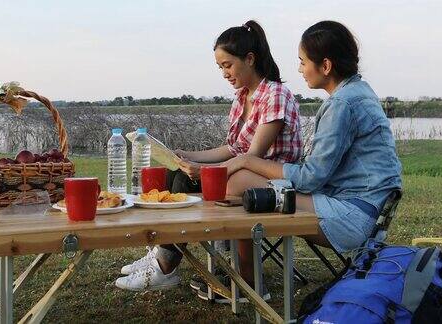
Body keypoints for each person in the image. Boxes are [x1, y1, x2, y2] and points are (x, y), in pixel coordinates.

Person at [115, 20, 302, 291]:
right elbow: (232, 148)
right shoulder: (242, 97)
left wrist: (201, 171)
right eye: (220, 67)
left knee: (185, 181)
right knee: (175, 172)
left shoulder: (275, 94)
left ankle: (165, 265)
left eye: (228, 65)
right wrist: (187, 155)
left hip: (271, 181)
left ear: (250, 59)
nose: (224, 73)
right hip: (244, 171)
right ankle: (161, 256)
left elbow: (252, 156)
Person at [223, 20, 402, 253]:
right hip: (365, 208)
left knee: (240, 181)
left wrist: (247, 160)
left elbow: (310, 178)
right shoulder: (358, 91)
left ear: (325, 66)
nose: (300, 69)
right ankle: (243, 272)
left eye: (303, 61)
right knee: (242, 181)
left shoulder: (342, 104)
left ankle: (246, 278)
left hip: (351, 218)